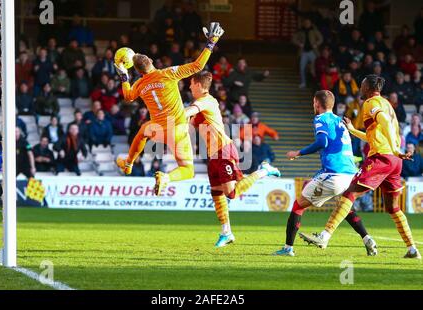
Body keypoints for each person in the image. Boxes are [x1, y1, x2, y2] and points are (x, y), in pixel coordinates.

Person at [300, 75, 420, 259]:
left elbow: (385, 123)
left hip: (382, 156)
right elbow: (375, 135)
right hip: (394, 161)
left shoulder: (370, 103)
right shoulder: (386, 104)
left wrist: (396, 149)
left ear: (368, 88)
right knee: (393, 207)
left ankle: (325, 235)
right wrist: (353, 131)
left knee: (349, 193)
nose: (360, 87)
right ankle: (412, 249)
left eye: (362, 84)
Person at [115, 22, 225, 196]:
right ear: (151, 61)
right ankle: (166, 178)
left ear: (136, 70)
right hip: (178, 128)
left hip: (158, 129)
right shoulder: (168, 73)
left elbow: (128, 96)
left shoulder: (139, 84)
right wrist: (211, 43)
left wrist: (123, 77)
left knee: (143, 130)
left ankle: (128, 164)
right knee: (188, 170)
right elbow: (197, 66)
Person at [274, 90, 376, 257]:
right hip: (350, 174)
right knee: (345, 208)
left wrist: (298, 153)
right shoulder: (341, 121)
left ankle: (287, 248)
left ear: (316, 103)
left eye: (314, 102)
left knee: (298, 206)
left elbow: (322, 141)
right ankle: (367, 239)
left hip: (335, 175)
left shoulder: (321, 119)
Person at [185, 71, 280, 247]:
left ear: (198, 85)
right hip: (213, 156)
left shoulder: (207, 100)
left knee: (232, 193)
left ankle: (264, 170)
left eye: (191, 83)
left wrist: (176, 113)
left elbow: (188, 112)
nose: (189, 86)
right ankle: (226, 232)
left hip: (224, 151)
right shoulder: (198, 105)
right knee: (216, 193)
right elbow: (187, 125)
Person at [292, 18, 323, 88]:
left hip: (313, 51)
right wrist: (299, 43)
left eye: (308, 23)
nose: (306, 24)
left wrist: (316, 44)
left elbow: (321, 38)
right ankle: (303, 82)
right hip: (304, 52)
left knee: (315, 67)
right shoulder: (300, 31)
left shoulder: (314, 30)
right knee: (302, 67)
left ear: (310, 23)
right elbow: (293, 39)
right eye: (305, 23)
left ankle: (316, 82)